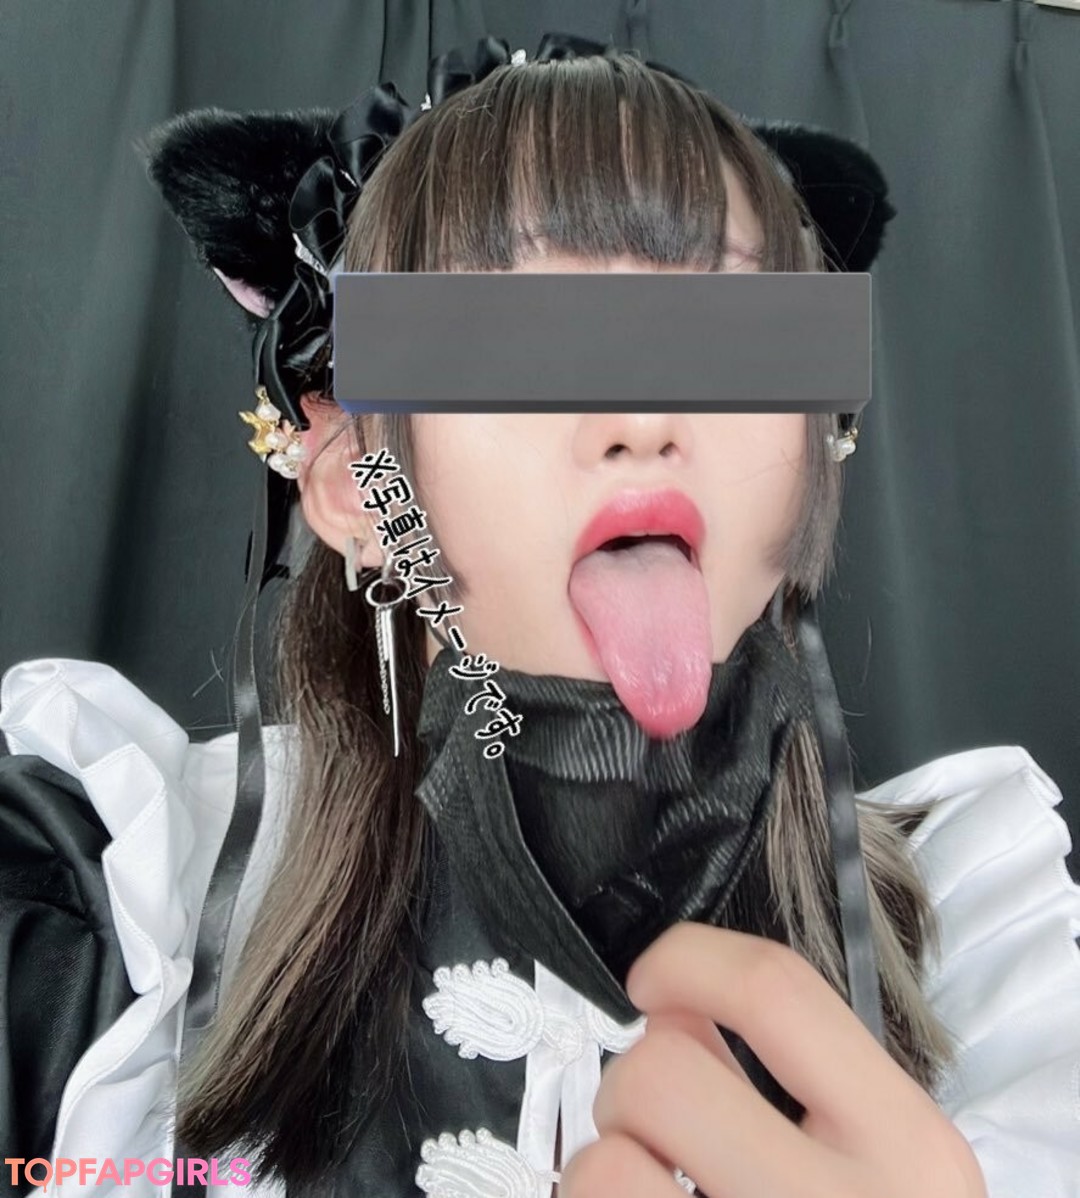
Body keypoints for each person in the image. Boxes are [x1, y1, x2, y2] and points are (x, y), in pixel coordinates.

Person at [1, 32, 1078, 1198]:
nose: (644, 418)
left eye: (730, 340)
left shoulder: (986, 938)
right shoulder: (110, 912)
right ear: (355, 481)